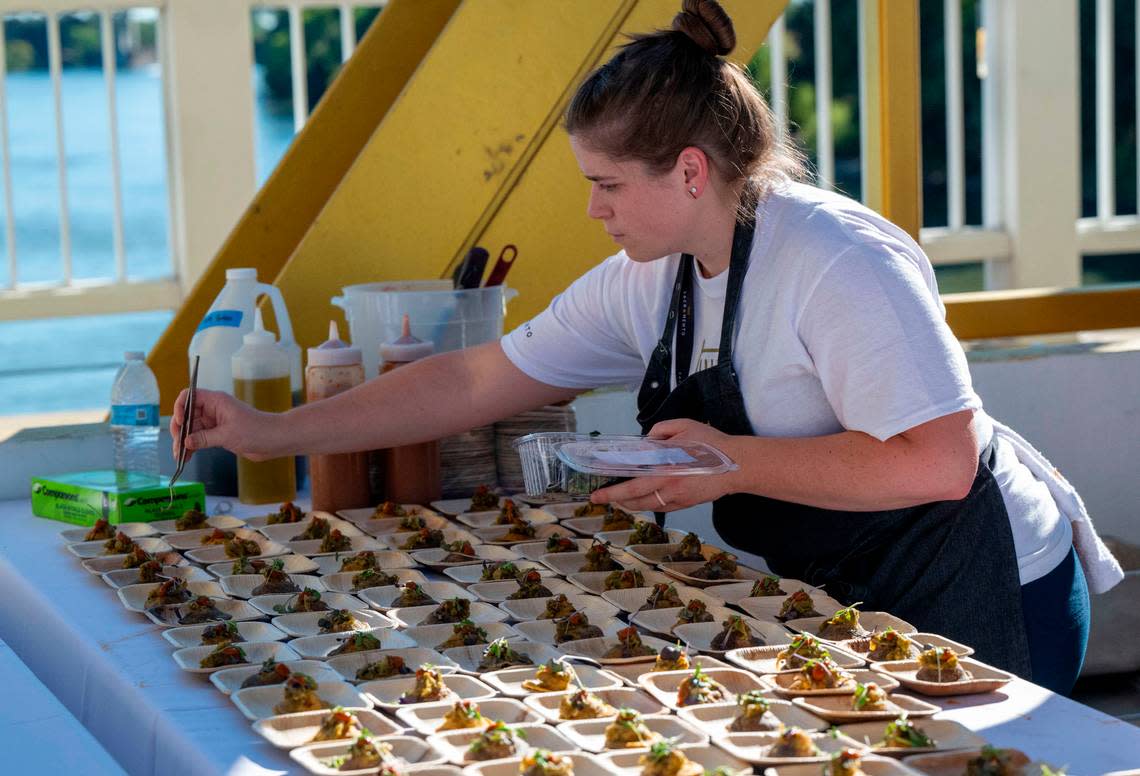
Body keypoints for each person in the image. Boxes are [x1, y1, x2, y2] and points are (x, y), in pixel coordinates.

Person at [173, 0, 1118, 694]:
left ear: (692, 171)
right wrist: (274, 432)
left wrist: (728, 465)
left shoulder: (837, 262)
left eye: (609, 185)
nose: (593, 209)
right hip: (836, 591)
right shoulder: (650, 275)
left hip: (979, 585)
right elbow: (473, 379)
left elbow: (940, 463)